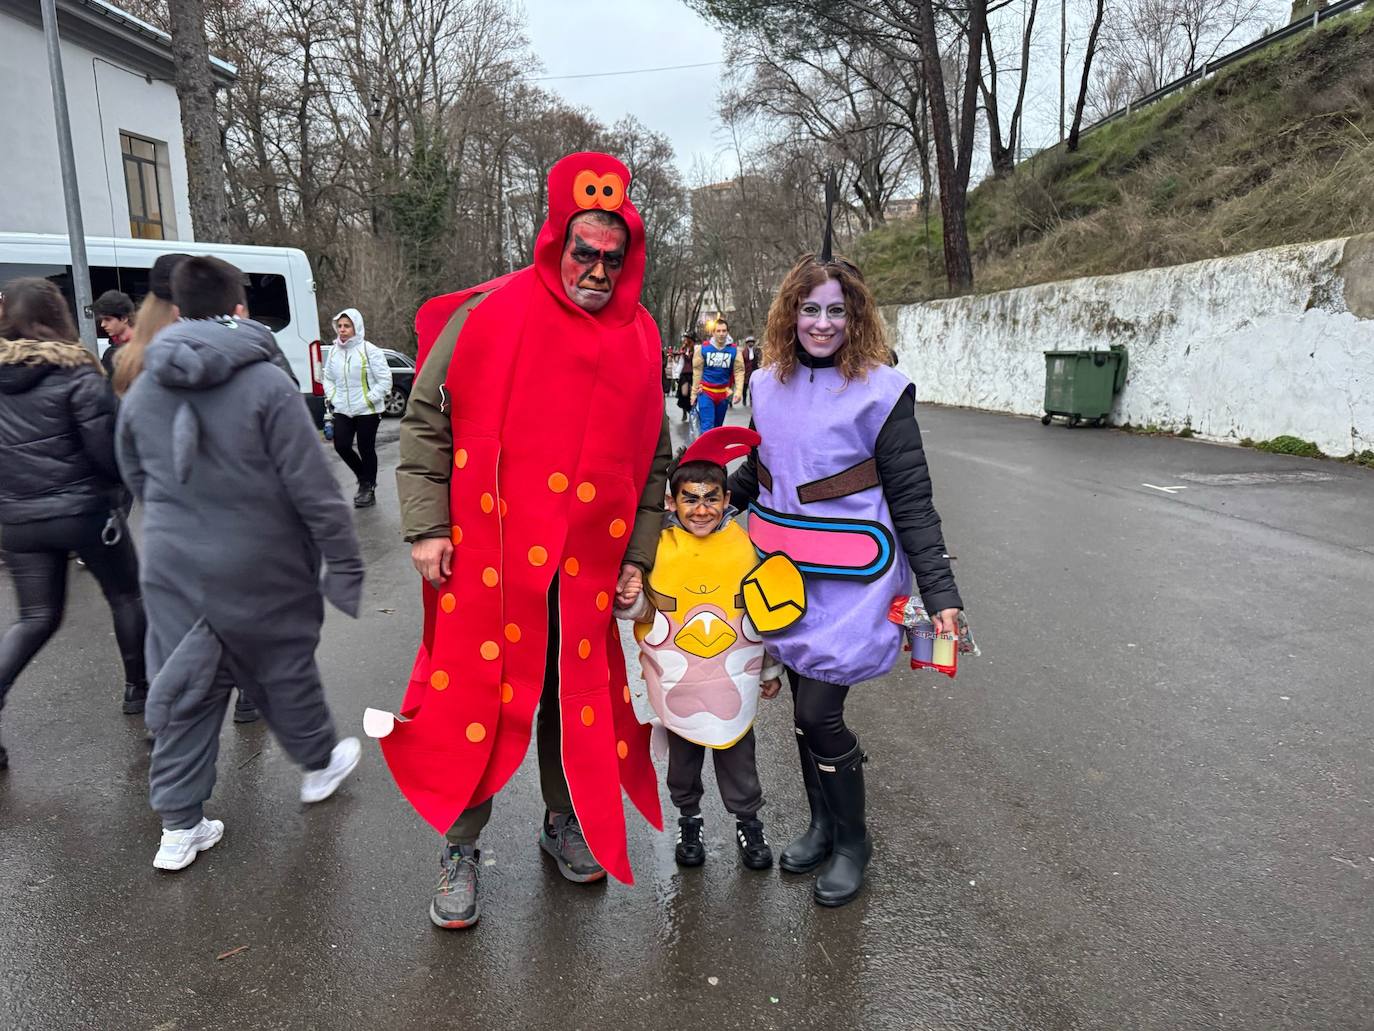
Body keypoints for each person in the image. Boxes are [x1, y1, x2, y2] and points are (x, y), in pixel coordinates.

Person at [366, 151, 672, 930]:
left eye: (613, 256)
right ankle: (461, 847)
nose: (598, 270)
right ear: (556, 243)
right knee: (477, 696)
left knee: (572, 703)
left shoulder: (641, 338)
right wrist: (428, 525)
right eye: (584, 253)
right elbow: (426, 421)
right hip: (489, 561)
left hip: (585, 573)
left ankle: (562, 819)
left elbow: (653, 461)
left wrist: (638, 553)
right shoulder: (490, 312)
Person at [727, 251, 965, 907]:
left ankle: (854, 839)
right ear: (790, 312)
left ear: (855, 314)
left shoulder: (882, 391)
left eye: (837, 309)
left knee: (817, 712)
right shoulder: (766, 384)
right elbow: (761, 468)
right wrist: (712, 501)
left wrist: (940, 594)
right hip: (784, 577)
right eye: (810, 309)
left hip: (856, 580)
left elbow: (913, 498)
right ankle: (822, 824)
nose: (823, 323)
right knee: (804, 716)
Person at [116, 256, 365, 872]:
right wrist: (344, 566)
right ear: (240, 309)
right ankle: (318, 766)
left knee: (186, 685)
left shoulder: (145, 382)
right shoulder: (267, 384)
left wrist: (175, 520)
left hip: (174, 564)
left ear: (175, 311)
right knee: (283, 668)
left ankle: (179, 827)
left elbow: (132, 469)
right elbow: (312, 487)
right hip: (259, 560)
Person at [617, 427, 781, 872]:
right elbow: (644, 607)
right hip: (680, 680)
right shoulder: (659, 547)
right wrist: (627, 599)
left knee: (738, 757)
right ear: (671, 502)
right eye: (691, 499)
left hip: (732, 677)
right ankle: (689, 820)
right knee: (684, 760)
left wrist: (769, 671)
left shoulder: (744, 546)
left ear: (728, 499)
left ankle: (749, 822)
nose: (702, 509)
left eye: (712, 498)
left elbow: (762, 613)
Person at [0, 278, 149, 769]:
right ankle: (140, 695)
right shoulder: (79, 376)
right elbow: (108, 456)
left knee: (35, 618)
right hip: (83, 513)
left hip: (16, 520)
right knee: (126, 596)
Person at [321, 308, 391, 508]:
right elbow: (328, 378)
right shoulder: (334, 351)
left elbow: (385, 380)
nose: (342, 330)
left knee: (365, 448)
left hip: (367, 410)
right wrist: (334, 397)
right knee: (341, 445)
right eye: (340, 326)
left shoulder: (370, 350)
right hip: (343, 409)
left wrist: (369, 399)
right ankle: (364, 479)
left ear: (356, 327)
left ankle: (368, 488)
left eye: (347, 326)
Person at [691, 317, 744, 432]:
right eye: (718, 331)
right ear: (713, 332)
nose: (721, 334)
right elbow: (697, 371)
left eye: (724, 331)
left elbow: (739, 371)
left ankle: (714, 449)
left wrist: (739, 391)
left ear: (727, 332)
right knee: (707, 426)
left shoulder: (734, 350)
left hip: (723, 394)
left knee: (717, 428)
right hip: (705, 393)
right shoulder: (703, 348)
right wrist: (693, 393)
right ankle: (705, 450)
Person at [93, 289, 135, 378]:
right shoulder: (111, 351)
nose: (102, 324)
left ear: (124, 318)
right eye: (101, 320)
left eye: (108, 319)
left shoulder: (144, 346)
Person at [675, 334, 695, 423]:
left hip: (694, 374)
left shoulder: (696, 349)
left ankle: (691, 411)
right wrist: (676, 374)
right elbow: (681, 363)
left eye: (687, 339)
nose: (685, 340)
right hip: (684, 374)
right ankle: (684, 412)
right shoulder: (683, 349)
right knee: (684, 393)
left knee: (692, 395)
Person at [741, 334, 758, 405]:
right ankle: (744, 398)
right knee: (744, 387)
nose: (750, 343)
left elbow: (757, 361)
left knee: (752, 387)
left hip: (754, 372)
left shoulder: (756, 351)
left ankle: (751, 400)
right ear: (747, 343)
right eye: (749, 342)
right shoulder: (743, 352)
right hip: (746, 372)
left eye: (752, 342)